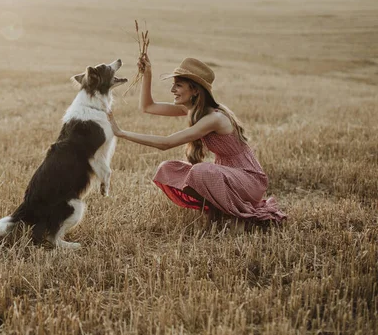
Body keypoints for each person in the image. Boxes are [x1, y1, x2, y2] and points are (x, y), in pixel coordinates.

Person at [107, 55, 286, 223]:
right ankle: (219, 211)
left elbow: (166, 143)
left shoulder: (214, 118)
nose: (172, 90)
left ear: (194, 90)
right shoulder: (193, 110)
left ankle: (234, 215)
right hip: (228, 176)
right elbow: (148, 106)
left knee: (200, 171)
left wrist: (121, 133)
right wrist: (148, 74)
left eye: (178, 85)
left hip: (249, 180)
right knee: (167, 169)